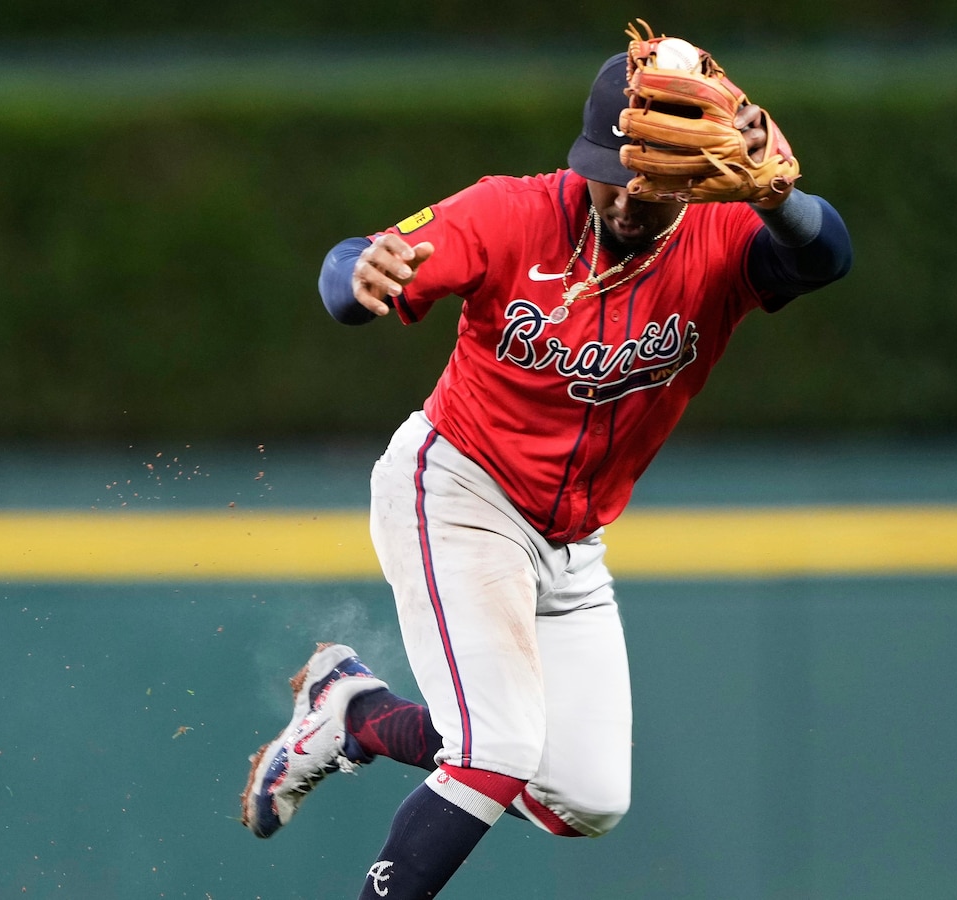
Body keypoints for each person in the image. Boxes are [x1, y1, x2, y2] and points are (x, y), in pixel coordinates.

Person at [240, 36, 852, 899]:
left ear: (696, 169)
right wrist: (358, 270)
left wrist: (782, 201)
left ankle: (356, 715)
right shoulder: (513, 212)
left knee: (585, 798)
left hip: (570, 543)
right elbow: (350, 271)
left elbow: (827, 258)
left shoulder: (722, 236)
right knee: (495, 753)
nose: (628, 196)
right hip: (459, 493)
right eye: (612, 169)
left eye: (653, 178)